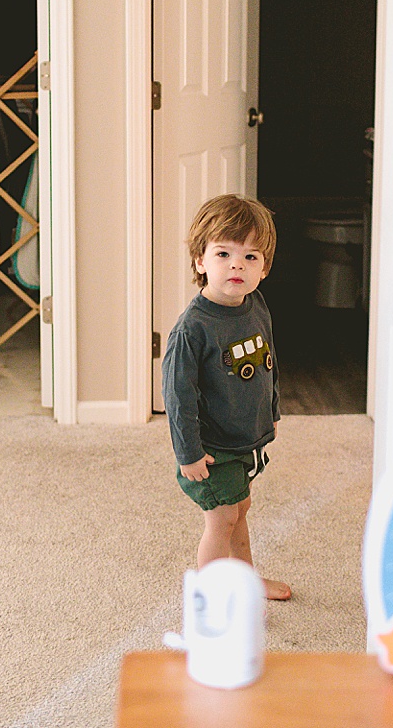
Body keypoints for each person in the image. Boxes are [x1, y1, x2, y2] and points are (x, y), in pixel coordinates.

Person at [163, 193, 291, 601]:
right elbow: (178, 398)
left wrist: (271, 409)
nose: (237, 264)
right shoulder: (192, 330)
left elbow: (267, 357)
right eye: (224, 253)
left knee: (242, 508)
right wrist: (188, 453)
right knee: (222, 518)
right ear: (200, 261)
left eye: (251, 257)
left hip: (244, 438)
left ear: (264, 269)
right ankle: (215, 602)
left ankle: (245, 579)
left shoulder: (255, 305)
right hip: (212, 448)